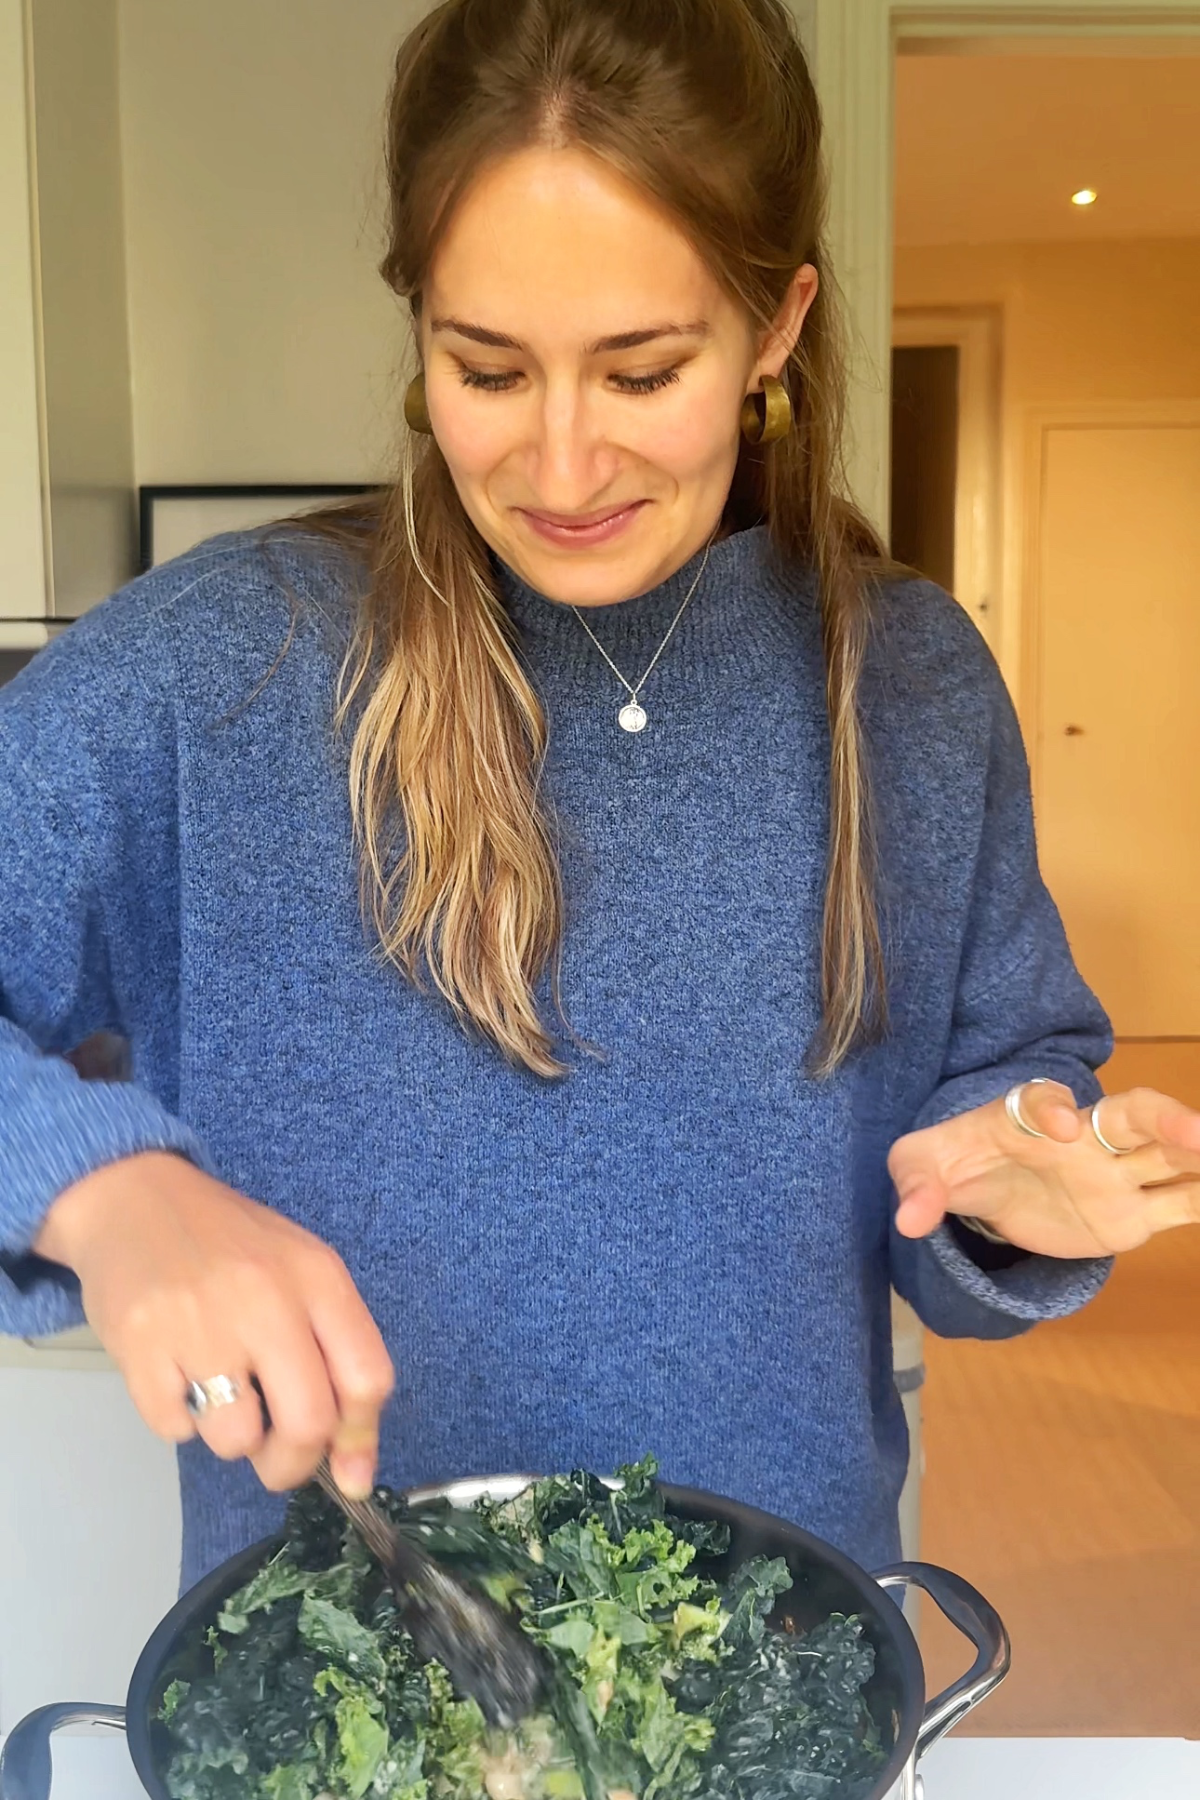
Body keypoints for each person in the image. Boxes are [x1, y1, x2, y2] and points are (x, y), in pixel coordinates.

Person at [2, 0, 1198, 1596]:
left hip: (781, 1667)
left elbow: (1001, 1089)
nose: (562, 469)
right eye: (486, 368)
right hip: (326, 1689)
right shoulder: (214, 667)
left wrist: (1019, 1189)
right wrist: (99, 1186)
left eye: (643, 373)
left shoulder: (909, 686)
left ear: (778, 324)